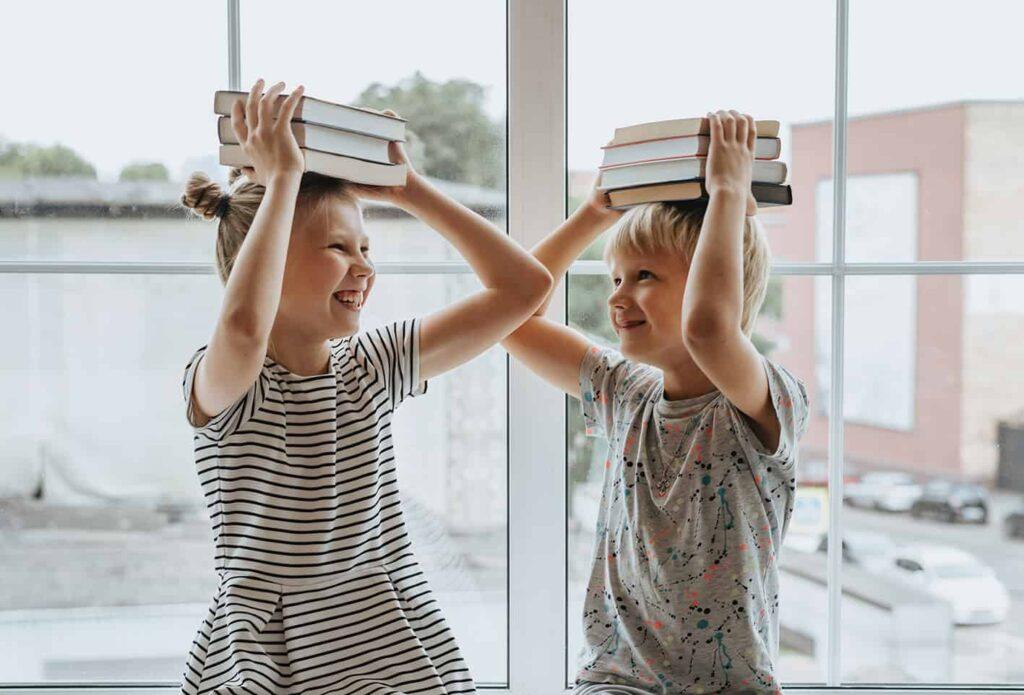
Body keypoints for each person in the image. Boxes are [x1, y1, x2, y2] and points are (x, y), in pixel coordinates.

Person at [178, 79, 551, 695]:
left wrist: (411, 191)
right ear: (264, 261)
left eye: (366, 247)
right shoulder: (229, 382)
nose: (365, 266)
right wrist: (283, 181)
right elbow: (244, 327)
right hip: (271, 655)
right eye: (338, 247)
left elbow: (524, 289)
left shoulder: (371, 365)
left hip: (387, 638)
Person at [502, 110, 809, 694]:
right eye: (615, 278)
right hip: (615, 680)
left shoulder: (764, 399)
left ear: (717, 284)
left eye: (644, 275)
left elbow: (709, 331)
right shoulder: (625, 391)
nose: (618, 297)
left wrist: (728, 192)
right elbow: (510, 318)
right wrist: (593, 215)